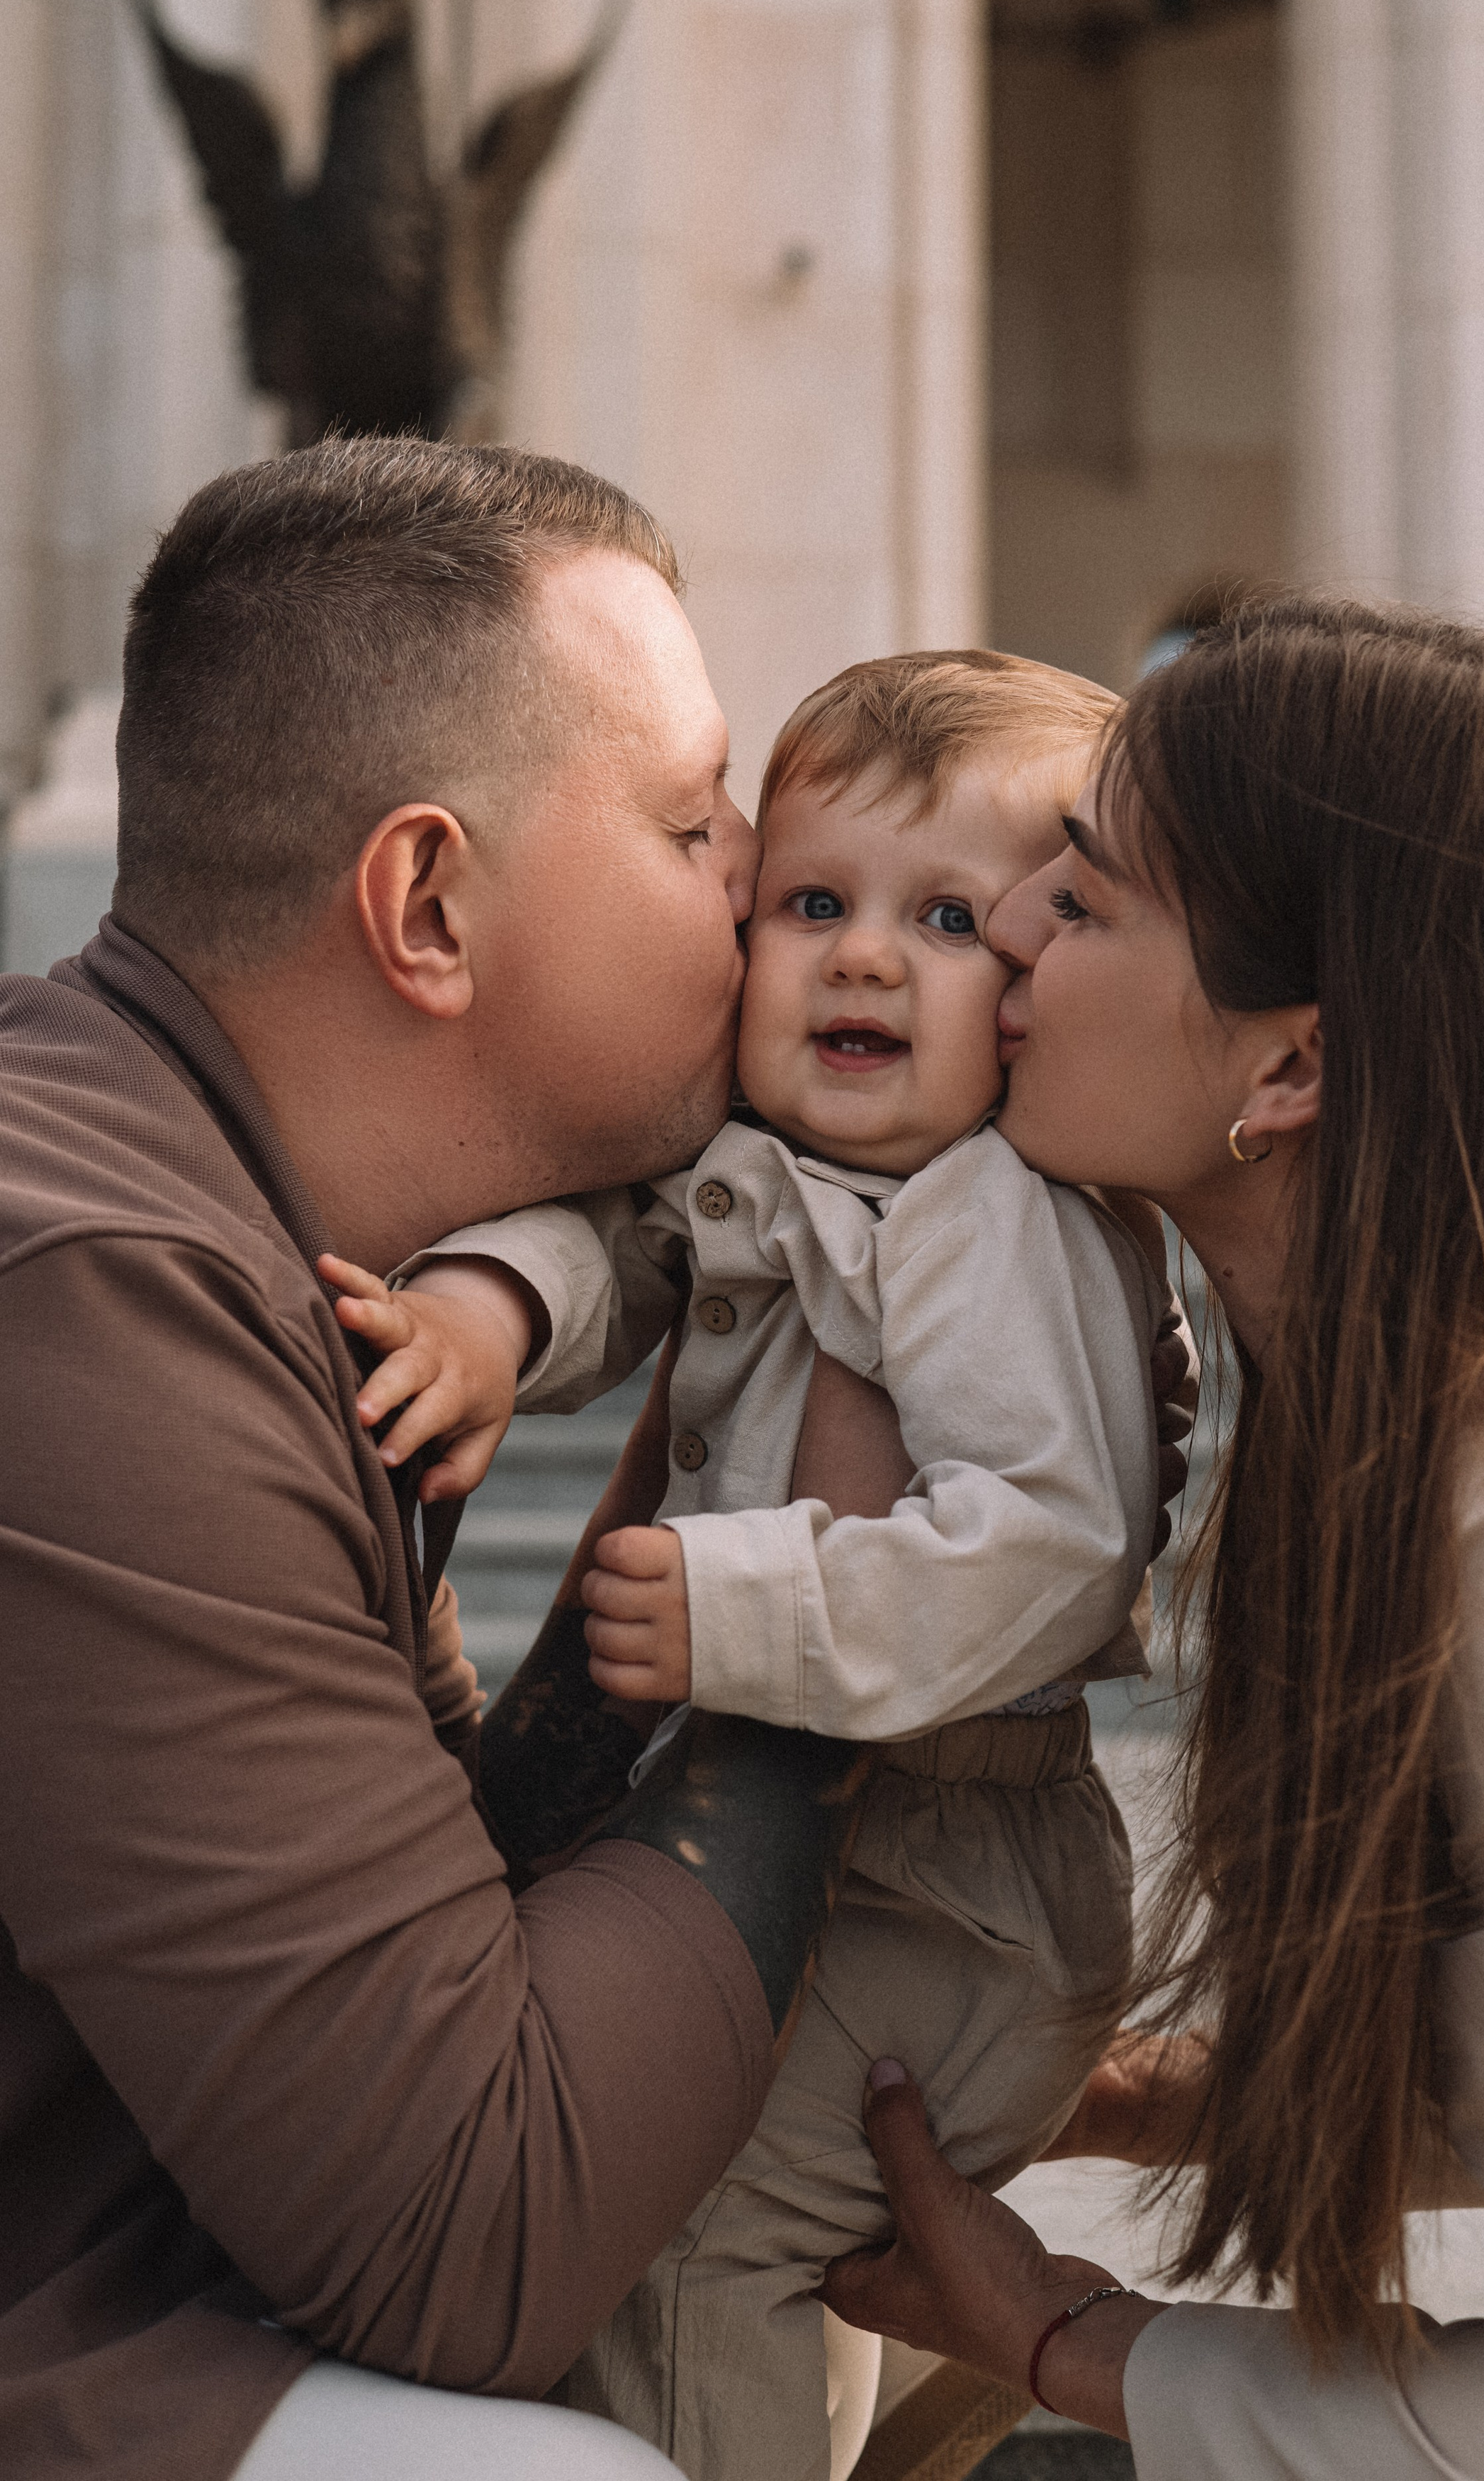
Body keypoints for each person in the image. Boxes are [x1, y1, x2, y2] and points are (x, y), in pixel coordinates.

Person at [821, 598, 1484, 2481]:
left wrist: (1064, 2332)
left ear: (1288, 1071)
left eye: (1088, 898)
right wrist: (1126, 2100)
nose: (1006, 925)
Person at [0, 437, 879, 2481]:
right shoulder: (90, 1291)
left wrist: (710, 1506)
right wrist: (835, 1628)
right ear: (427, 905)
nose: (761, 877)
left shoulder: (191, 1208)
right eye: (688, 818)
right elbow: (470, 2222)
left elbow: (458, 1925)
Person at [327, 651, 1189, 2481]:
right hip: (867, 1853)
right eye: (814, 901)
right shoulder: (785, 1166)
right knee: (768, 2242)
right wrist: (481, 1320)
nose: (862, 955)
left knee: (688, 2242)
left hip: (951, 1876)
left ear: (1035, 988)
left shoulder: (987, 1214)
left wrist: (747, 1603)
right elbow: (618, 1245)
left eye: (946, 918)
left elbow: (1050, 1541)